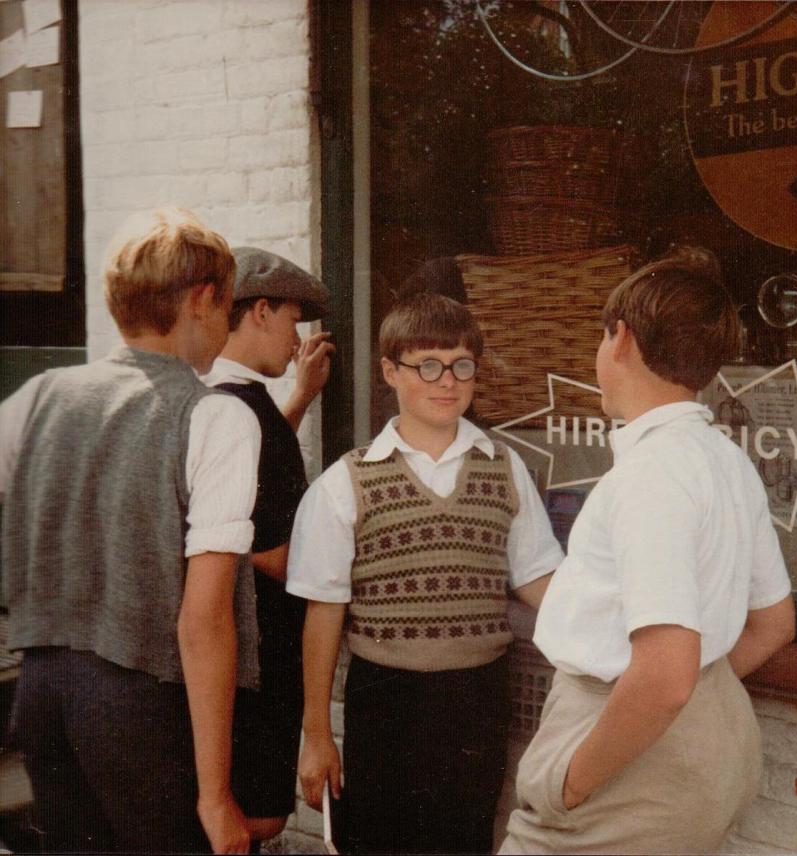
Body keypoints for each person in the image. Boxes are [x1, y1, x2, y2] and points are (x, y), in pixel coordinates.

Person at [499, 248, 796, 855]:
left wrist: (569, 784)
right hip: (702, 731)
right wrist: (688, 697)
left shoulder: (650, 475)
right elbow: (774, 623)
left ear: (623, 340)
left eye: (601, 335)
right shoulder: (726, 459)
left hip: (629, 754)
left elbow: (664, 674)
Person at [0, 208, 262, 854]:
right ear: (201, 300)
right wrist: (215, 795)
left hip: (43, 695)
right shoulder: (215, 417)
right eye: (228, 307)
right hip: (144, 708)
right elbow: (204, 621)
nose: (227, 324)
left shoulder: (41, 395)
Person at [287, 292, 565, 855]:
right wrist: (316, 734)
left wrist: (618, 625)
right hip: (386, 698)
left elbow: (538, 578)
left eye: (462, 365)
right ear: (390, 371)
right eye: (428, 366)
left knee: (465, 841)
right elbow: (324, 613)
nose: (448, 381)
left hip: (479, 698)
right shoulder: (348, 482)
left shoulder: (503, 468)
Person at [203, 247, 334, 848]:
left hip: (235, 656)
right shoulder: (248, 413)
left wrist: (300, 399)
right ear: (259, 312)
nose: (296, 339)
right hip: (258, 657)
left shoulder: (217, 401)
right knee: (256, 821)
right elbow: (272, 554)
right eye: (291, 320)